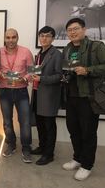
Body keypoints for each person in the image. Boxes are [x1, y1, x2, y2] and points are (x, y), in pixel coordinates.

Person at [62, 18, 105, 180]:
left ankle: (87, 165)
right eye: (69, 30)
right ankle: (77, 158)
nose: (72, 32)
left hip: (89, 97)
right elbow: (68, 68)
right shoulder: (68, 49)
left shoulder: (97, 46)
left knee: (88, 132)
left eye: (76, 28)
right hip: (72, 96)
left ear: (84, 30)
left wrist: (88, 70)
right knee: (73, 130)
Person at [0, 28, 34, 163]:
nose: (10, 40)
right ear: (5, 38)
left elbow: (32, 71)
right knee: (7, 122)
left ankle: (26, 148)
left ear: (17, 37)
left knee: (25, 122)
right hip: (4, 90)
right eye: (8, 37)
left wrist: (25, 79)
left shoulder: (26, 52)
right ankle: (11, 144)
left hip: (21, 91)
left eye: (13, 37)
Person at [30, 26, 62, 165]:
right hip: (37, 93)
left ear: (53, 38)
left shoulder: (56, 54)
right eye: (42, 36)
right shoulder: (39, 54)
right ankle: (42, 147)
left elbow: (59, 76)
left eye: (48, 36)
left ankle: (49, 154)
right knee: (40, 124)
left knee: (49, 125)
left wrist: (41, 79)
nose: (44, 38)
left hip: (49, 95)